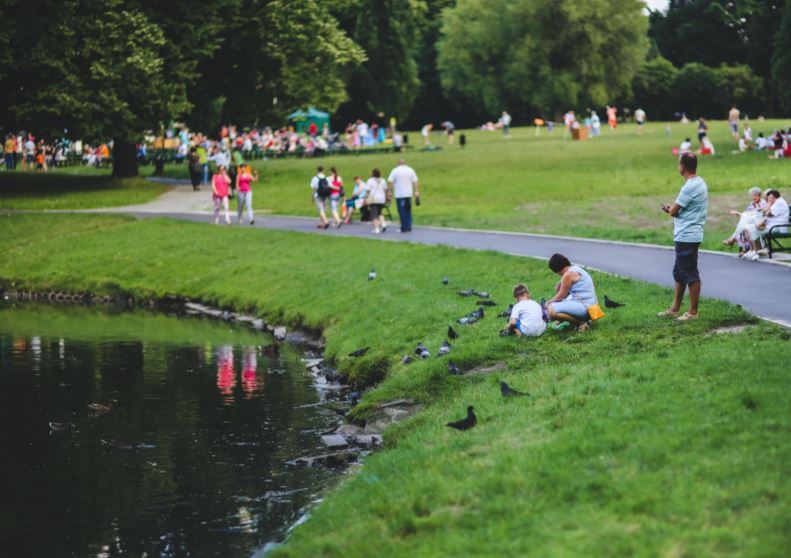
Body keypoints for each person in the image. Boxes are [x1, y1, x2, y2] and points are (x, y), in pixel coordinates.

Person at [659, 152, 708, 321]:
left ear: (683, 166)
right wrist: (673, 208)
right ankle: (675, 308)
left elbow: (674, 211)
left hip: (687, 234)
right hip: (689, 233)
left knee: (690, 273)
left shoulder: (689, 186)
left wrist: (669, 208)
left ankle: (693, 312)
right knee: (680, 272)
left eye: (678, 163)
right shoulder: (700, 182)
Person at [546, 254, 599, 332]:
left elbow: (561, 296)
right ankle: (574, 320)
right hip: (592, 307)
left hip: (586, 308)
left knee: (551, 310)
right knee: (559, 304)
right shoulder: (575, 268)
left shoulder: (568, 274)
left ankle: (580, 323)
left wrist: (548, 302)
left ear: (556, 270)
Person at [722, 187, 765, 256]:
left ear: (759, 195)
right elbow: (746, 214)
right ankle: (746, 249)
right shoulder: (752, 204)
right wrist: (737, 213)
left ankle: (735, 242)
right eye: (752, 196)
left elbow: (756, 215)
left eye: (755, 196)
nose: (753, 197)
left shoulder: (762, 204)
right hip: (752, 222)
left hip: (759, 223)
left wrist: (736, 213)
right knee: (742, 226)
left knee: (743, 227)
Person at [751, 189, 789, 258]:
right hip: (772, 226)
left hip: (777, 228)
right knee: (753, 228)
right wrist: (767, 207)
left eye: (768, 197)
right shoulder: (776, 202)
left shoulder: (779, 203)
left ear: (773, 197)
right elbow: (765, 213)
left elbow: (768, 214)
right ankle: (760, 250)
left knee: (754, 230)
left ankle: (759, 250)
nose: (767, 199)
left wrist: (768, 204)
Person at [387, 159, 419, 233]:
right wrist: (416, 191)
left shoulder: (395, 170)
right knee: (408, 210)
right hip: (408, 193)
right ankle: (409, 226)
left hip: (399, 194)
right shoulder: (410, 170)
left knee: (402, 211)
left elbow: (390, 181)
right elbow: (415, 181)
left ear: (398, 163)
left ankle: (404, 227)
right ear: (405, 163)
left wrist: (389, 192)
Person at [365, 168, 388, 234]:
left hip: (373, 199)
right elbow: (385, 190)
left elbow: (367, 191)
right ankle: (383, 224)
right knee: (379, 212)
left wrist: (366, 198)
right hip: (381, 199)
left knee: (374, 214)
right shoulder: (383, 180)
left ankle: (376, 229)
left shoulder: (370, 180)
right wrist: (386, 198)